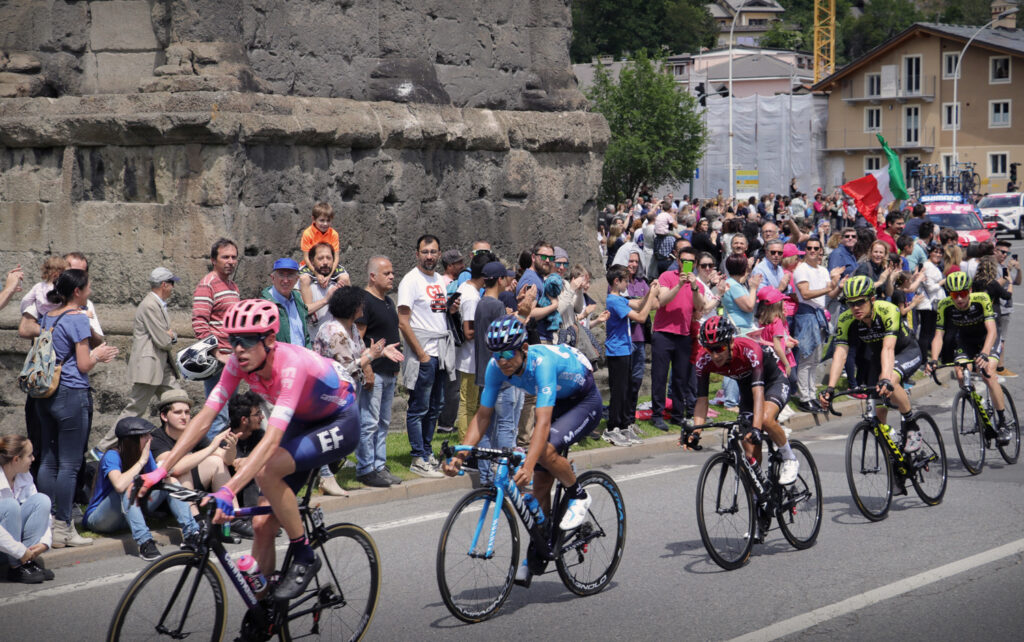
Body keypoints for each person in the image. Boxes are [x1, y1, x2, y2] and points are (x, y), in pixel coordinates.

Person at [139, 299, 362, 601]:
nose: (237, 349)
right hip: (302, 420)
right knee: (260, 524)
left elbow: (270, 440)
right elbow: (205, 417)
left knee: (269, 471)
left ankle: (304, 554)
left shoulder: (291, 366)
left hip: (339, 419)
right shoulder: (237, 362)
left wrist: (229, 489)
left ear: (270, 340)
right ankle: (265, 613)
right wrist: (161, 470)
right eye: (232, 340)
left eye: (245, 341)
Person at [441, 315, 602, 586]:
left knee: (545, 451)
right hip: (556, 400)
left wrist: (528, 464)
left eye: (507, 353)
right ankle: (540, 548)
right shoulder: (496, 367)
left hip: (582, 399)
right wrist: (460, 455)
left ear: (523, 349)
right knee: (539, 486)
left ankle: (579, 495)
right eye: (496, 353)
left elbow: (542, 422)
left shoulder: (542, 364)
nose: (502, 360)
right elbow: (482, 416)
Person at [34, 269, 119, 548]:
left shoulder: (49, 315)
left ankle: (45, 524)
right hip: (71, 393)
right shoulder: (78, 319)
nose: (90, 291)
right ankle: (63, 528)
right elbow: (84, 364)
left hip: (46, 393)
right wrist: (99, 354)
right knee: (69, 465)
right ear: (78, 292)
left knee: (47, 458)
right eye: (88, 287)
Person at [819, 276, 925, 467]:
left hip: (906, 351)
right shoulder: (846, 319)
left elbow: (889, 348)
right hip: (878, 357)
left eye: (860, 302)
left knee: (890, 380)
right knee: (878, 418)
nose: (855, 308)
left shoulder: (888, 310)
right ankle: (895, 460)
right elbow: (840, 354)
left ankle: (911, 425)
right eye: (850, 304)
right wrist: (830, 388)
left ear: (872, 299)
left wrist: (885, 378)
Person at [689, 316, 800, 483]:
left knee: (765, 420)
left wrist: (756, 428)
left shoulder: (749, 350)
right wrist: (696, 432)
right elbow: (702, 400)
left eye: (720, 348)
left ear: (731, 343)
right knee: (749, 452)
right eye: (709, 349)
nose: (715, 354)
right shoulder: (703, 360)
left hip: (773, 383)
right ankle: (760, 493)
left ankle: (789, 458)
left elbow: (758, 393)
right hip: (748, 392)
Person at [315, 286, 403, 487]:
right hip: (329, 392)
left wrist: (380, 351)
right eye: (360, 304)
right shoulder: (334, 332)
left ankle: (356, 469)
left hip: (345, 391)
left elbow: (361, 353)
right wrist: (372, 356)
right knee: (331, 432)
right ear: (352, 307)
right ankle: (325, 475)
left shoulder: (351, 328)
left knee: (353, 428)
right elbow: (347, 367)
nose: (363, 307)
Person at [83, 417, 199, 560]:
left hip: (130, 513)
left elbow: (154, 481)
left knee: (170, 481)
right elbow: (119, 485)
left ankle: (192, 534)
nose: (150, 438)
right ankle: (145, 543)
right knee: (127, 487)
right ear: (131, 440)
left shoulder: (146, 452)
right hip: (101, 519)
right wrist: (141, 462)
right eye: (145, 435)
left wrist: (164, 471)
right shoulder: (112, 456)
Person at [98, 267, 181, 452]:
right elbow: (164, 340)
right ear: (164, 285)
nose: (173, 288)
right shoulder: (150, 305)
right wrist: (172, 335)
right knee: (134, 410)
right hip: (149, 368)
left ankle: (181, 444)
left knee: (179, 401)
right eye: (172, 284)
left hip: (161, 368)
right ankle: (102, 448)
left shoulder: (157, 304)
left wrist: (169, 335)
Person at [924, 272, 1013, 445]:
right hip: (965, 341)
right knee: (960, 374)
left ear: (970, 290)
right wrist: (934, 359)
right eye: (954, 295)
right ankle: (980, 410)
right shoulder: (945, 305)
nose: (958, 299)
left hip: (987, 338)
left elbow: (992, 330)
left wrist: (985, 354)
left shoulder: (982, 299)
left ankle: (1002, 422)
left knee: (988, 372)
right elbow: (938, 335)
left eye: (963, 294)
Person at [398, 235, 460, 477]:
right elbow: (403, 322)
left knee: (436, 407)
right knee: (419, 407)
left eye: (433, 252)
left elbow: (437, 311)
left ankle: (426, 452)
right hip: (425, 352)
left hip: (440, 351)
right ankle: (417, 458)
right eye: (425, 252)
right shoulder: (410, 281)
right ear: (417, 254)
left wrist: (450, 308)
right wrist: (422, 354)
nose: (429, 256)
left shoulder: (438, 280)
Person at [147, 389, 245, 535]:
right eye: (178, 412)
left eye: (187, 412)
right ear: (164, 416)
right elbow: (175, 467)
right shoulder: (156, 438)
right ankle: (196, 519)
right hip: (167, 497)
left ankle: (233, 517)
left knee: (216, 462)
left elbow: (226, 460)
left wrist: (231, 448)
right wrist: (212, 447)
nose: (184, 417)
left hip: (192, 489)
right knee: (182, 467)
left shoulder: (194, 434)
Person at [472, 262, 523, 485]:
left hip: (483, 372)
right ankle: (503, 474)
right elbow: (508, 341)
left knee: (485, 425)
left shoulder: (481, 303)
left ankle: (486, 475)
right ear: (500, 279)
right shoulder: (497, 306)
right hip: (500, 374)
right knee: (504, 424)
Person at [649, 242, 705, 431]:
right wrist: (680, 284)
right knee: (659, 376)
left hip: (683, 335)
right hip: (663, 333)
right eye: (683, 261)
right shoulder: (667, 276)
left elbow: (700, 307)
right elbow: (663, 300)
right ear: (678, 261)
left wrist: (694, 286)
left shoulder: (697, 284)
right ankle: (657, 414)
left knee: (681, 378)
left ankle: (677, 415)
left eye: (690, 262)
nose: (686, 264)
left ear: (695, 263)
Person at [603, 265, 660, 446]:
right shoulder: (613, 300)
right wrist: (652, 295)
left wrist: (650, 291)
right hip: (616, 351)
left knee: (626, 390)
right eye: (625, 280)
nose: (628, 283)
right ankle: (611, 429)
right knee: (618, 392)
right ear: (616, 281)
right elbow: (641, 317)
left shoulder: (620, 299)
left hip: (625, 350)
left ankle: (622, 426)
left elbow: (638, 303)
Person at [192, 238, 241, 437]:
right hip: (218, 360)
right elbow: (199, 323)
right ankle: (211, 462)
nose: (230, 261)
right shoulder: (207, 284)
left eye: (234, 257)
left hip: (233, 357)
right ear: (214, 260)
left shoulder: (232, 287)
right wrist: (217, 352)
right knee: (217, 414)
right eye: (225, 257)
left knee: (228, 413)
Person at [792, 238, 843, 412]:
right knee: (806, 358)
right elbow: (805, 294)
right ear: (805, 250)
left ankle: (812, 395)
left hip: (820, 314)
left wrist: (837, 283)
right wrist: (830, 287)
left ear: (821, 250)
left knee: (815, 359)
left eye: (816, 248)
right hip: (806, 314)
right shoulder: (801, 270)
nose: (813, 250)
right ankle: (804, 397)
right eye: (809, 248)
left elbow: (831, 293)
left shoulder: (822, 270)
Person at [0, 434, 53, 583]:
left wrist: (45, 542)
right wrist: (19, 551)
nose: (33, 459)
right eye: (29, 456)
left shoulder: (24, 476)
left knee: (42, 500)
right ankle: (17, 566)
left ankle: (26, 563)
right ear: (16, 459)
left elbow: (44, 514)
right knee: (10, 506)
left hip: (12, 547)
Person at [298, 242, 349, 337]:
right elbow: (302, 311)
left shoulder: (340, 280)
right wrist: (325, 300)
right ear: (312, 261)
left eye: (329, 258)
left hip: (337, 341)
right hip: (311, 341)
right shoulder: (301, 281)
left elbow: (352, 313)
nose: (325, 262)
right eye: (320, 258)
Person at [299, 202, 341, 276]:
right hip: (311, 266)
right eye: (322, 220)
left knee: (345, 278)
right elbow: (306, 257)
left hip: (329, 267)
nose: (325, 224)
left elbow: (336, 257)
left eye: (328, 220)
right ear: (314, 219)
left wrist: (329, 275)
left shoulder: (334, 234)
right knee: (304, 279)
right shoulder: (307, 233)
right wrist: (317, 274)